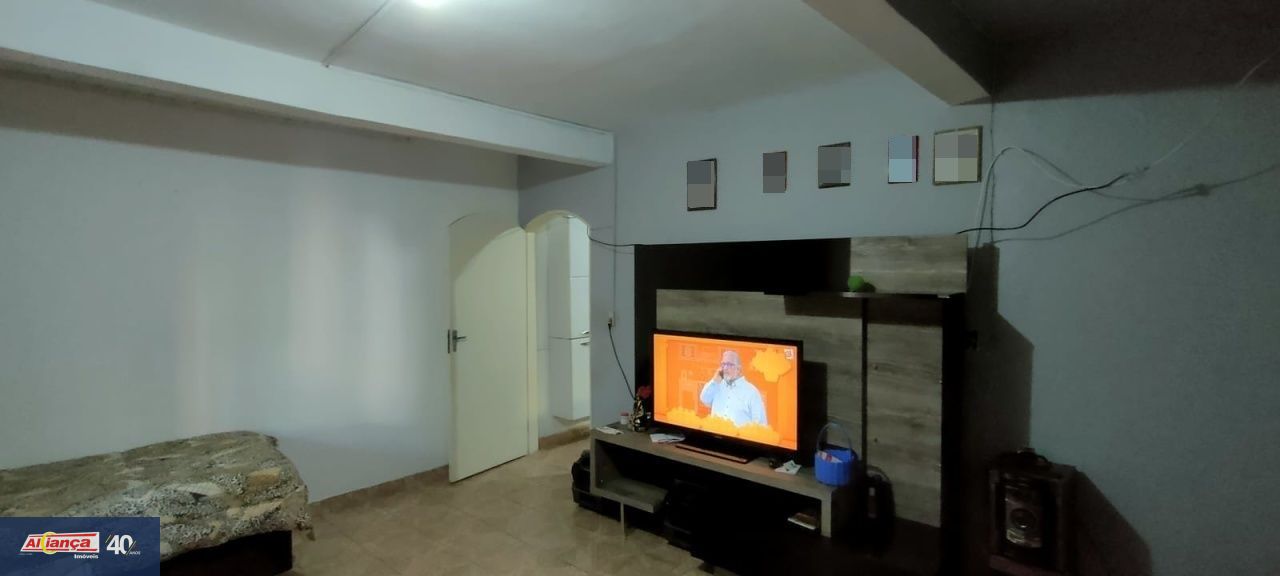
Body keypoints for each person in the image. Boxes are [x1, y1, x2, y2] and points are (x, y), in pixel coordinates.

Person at [699, 350, 767, 427]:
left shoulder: (752, 392)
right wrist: (714, 381)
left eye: (729, 364)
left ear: (739, 369)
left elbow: (761, 425)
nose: (725, 368)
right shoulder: (717, 385)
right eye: (723, 364)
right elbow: (704, 399)